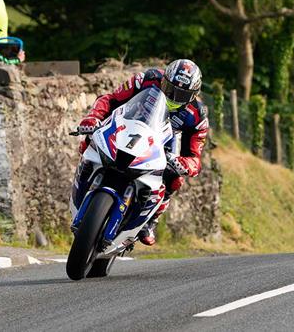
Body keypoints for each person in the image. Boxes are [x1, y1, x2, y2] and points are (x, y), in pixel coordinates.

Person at [75, 59, 209, 246]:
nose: (173, 96)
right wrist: (93, 118)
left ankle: (150, 221)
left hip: (164, 142)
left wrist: (184, 164)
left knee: (174, 178)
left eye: (181, 94)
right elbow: (111, 99)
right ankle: (85, 172)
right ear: (164, 79)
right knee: (91, 137)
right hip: (128, 124)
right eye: (169, 88)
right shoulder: (145, 79)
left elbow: (195, 156)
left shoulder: (197, 115)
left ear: (193, 95)